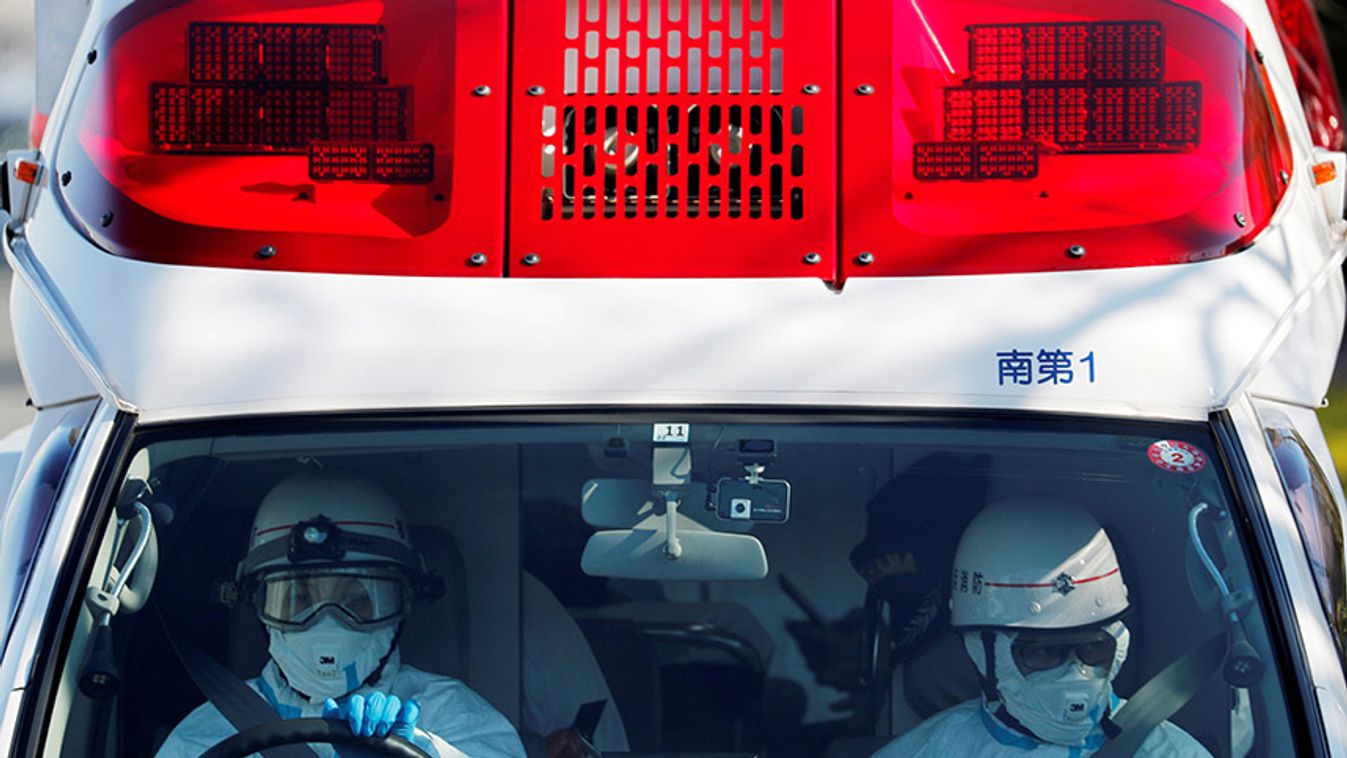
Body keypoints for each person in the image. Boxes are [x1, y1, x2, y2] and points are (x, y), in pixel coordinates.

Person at [156, 469, 526, 757]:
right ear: (258, 605)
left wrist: (420, 751)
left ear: (402, 605)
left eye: (357, 601)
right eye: (300, 600)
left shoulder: (452, 717)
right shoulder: (207, 734)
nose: (328, 621)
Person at [873, 498, 1211, 757]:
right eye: (1045, 651)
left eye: (1094, 647)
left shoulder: (1171, 753)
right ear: (982, 651)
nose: (1075, 673)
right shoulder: (933, 751)